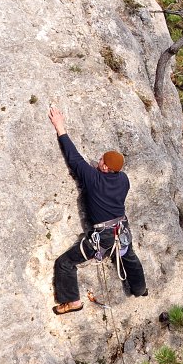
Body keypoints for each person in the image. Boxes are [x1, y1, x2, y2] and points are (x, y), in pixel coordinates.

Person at [48, 106, 148, 315]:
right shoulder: (123, 179)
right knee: (129, 255)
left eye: (102, 160)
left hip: (102, 237)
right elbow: (103, 171)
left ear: (104, 168)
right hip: (121, 228)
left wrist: (60, 127)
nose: (99, 160)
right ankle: (140, 289)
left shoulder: (93, 179)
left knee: (65, 263)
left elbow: (74, 158)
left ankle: (71, 301)